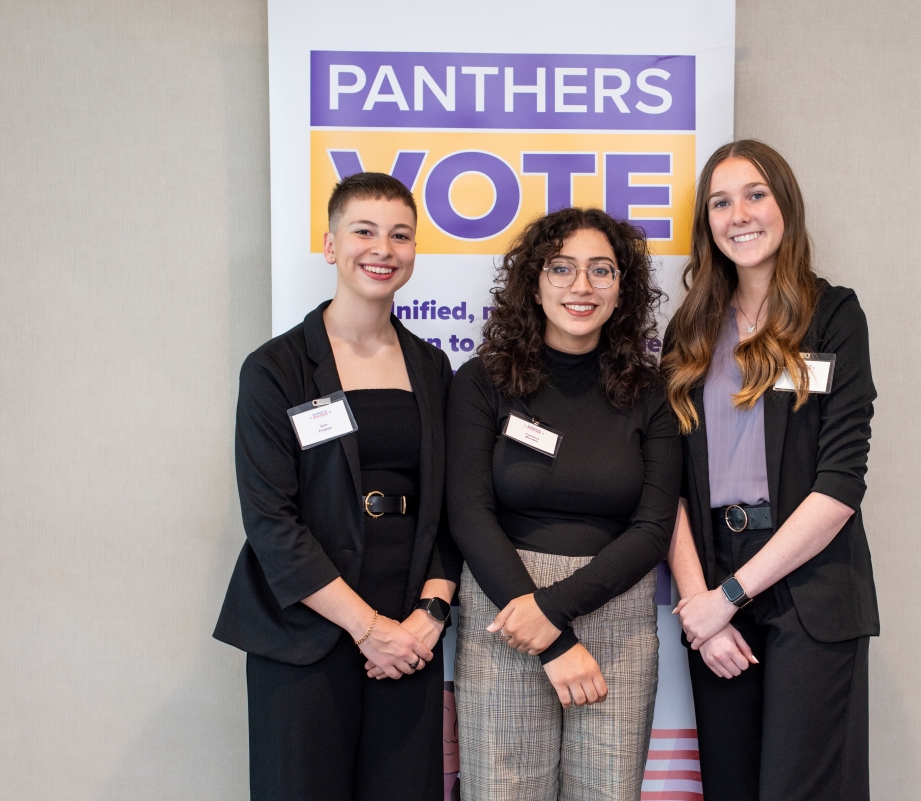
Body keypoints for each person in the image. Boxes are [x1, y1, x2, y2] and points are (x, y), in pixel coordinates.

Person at [213, 172, 461, 801]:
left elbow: (452, 506)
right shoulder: (277, 367)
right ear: (330, 245)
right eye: (364, 231)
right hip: (307, 630)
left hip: (409, 633)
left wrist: (428, 617)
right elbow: (270, 521)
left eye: (400, 235)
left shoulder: (432, 367)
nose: (383, 248)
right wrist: (365, 627)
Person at [662, 140, 880, 801]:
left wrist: (731, 594)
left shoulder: (834, 316)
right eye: (720, 202)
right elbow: (663, 481)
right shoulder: (690, 332)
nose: (740, 214)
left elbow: (840, 485)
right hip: (713, 573)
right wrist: (703, 605)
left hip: (809, 582)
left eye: (755, 194)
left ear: (785, 204)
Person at [446, 207, 681, 801]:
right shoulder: (482, 381)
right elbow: (469, 514)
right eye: (562, 269)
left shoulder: (651, 392)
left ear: (622, 287)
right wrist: (544, 630)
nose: (582, 286)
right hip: (507, 611)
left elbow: (654, 529)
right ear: (533, 281)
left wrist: (554, 609)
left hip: (615, 615)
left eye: (601, 270)